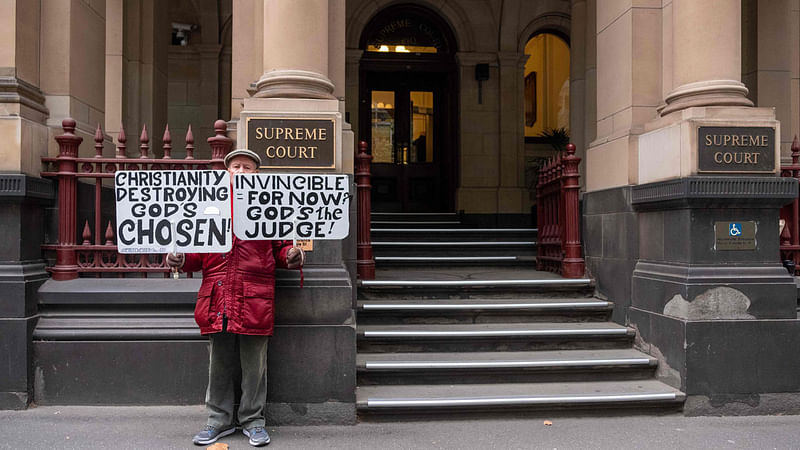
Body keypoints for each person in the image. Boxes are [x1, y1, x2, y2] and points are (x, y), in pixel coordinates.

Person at [167, 148, 304, 447]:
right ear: (226, 173)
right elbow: (195, 253)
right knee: (219, 363)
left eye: (247, 167)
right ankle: (217, 420)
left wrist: (293, 255)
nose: (240, 172)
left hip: (254, 296)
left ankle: (253, 421)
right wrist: (179, 259)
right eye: (236, 167)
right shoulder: (209, 205)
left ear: (257, 174)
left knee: (255, 365)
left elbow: (282, 247)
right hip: (218, 295)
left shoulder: (270, 206)